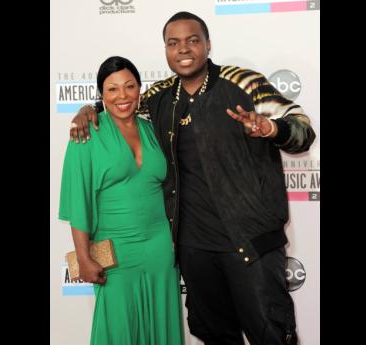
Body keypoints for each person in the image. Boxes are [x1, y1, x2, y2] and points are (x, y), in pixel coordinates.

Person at [70, 12, 316, 345]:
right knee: (215, 337)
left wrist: (271, 128)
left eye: (192, 40)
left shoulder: (243, 82)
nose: (183, 49)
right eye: (174, 43)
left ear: (208, 44)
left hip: (251, 244)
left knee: (272, 335)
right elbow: (121, 104)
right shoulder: (159, 97)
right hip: (194, 250)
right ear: (166, 50)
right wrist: (90, 108)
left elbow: (301, 129)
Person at [59, 56, 184, 345]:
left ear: (140, 89)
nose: (122, 96)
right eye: (112, 89)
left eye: (129, 86)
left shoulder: (154, 130)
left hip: (160, 249)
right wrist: (83, 256)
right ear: (101, 94)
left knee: (161, 325)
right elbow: (78, 200)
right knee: (118, 329)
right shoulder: (87, 133)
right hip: (115, 252)